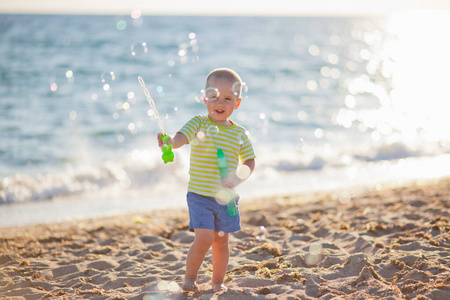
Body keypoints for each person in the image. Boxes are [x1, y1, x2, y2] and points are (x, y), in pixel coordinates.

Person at [157, 68, 256, 293]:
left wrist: (238, 176)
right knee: (204, 239)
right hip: (200, 196)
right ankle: (190, 278)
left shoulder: (239, 133)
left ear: (237, 104)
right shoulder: (199, 123)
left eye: (228, 98)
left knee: (221, 242)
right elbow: (181, 138)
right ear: (205, 98)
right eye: (214, 97)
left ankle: (217, 281)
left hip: (226, 198)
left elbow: (250, 161)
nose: (220, 103)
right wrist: (170, 141)